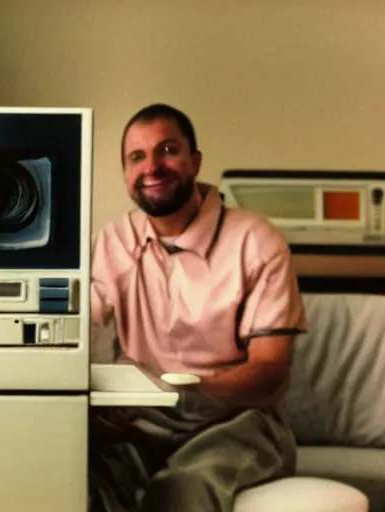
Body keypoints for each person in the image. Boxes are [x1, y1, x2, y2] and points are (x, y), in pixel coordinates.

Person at [90, 103, 307, 512]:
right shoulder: (112, 241)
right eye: (137, 157)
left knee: (180, 489)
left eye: (168, 150)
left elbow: (270, 376)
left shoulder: (256, 241)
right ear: (124, 174)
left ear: (195, 162)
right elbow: (77, 330)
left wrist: (179, 393)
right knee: (70, 471)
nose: (152, 166)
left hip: (241, 423)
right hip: (143, 424)